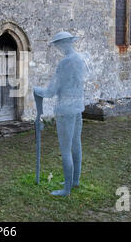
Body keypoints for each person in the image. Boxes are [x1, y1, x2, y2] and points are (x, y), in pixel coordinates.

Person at [34, 31, 86, 196]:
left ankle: (66, 189)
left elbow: (50, 91)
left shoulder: (65, 63)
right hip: (78, 107)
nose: (57, 49)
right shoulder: (81, 60)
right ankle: (74, 181)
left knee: (66, 149)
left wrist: (35, 90)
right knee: (76, 145)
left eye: (57, 46)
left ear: (63, 44)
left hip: (65, 109)